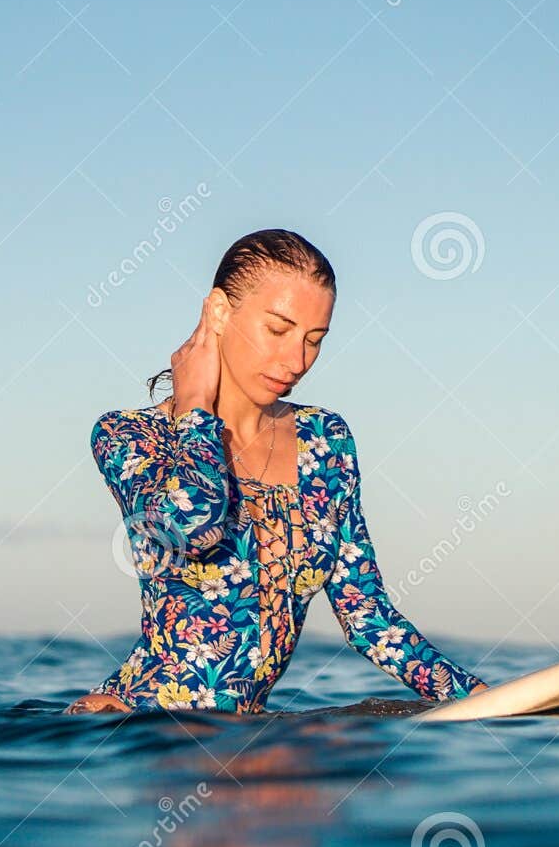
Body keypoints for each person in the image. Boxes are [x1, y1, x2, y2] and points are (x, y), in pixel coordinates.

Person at [63, 229, 489, 714]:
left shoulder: (325, 441)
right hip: (145, 730)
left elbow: (368, 618)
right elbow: (193, 527)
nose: (297, 360)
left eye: (314, 340)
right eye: (279, 329)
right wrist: (196, 408)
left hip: (254, 745)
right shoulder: (130, 436)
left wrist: (480, 698)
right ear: (220, 312)